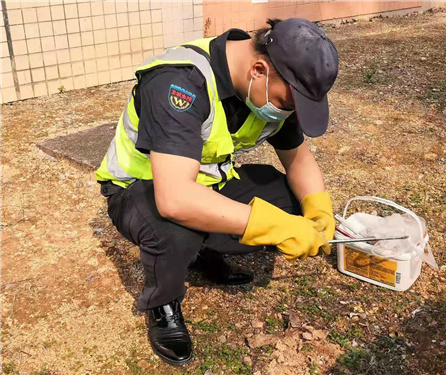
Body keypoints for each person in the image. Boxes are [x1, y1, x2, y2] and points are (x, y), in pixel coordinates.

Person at [96, 18, 338, 366]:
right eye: (288, 103)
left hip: (205, 182)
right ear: (259, 69)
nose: (288, 112)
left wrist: (318, 210)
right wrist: (276, 227)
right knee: (175, 230)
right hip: (138, 191)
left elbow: (298, 160)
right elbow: (175, 197)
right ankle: (162, 303)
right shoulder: (179, 82)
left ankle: (201, 250)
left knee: (289, 200)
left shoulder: (273, 85)